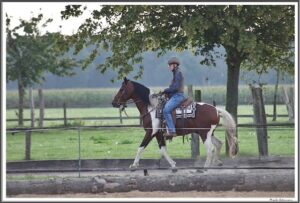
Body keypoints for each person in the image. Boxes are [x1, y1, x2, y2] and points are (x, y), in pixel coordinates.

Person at [161, 57, 186, 138]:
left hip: (178, 96)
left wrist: (165, 90)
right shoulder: (176, 73)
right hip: (175, 96)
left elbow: (175, 88)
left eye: (170, 65)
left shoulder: (178, 73)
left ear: (175, 65)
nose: (169, 67)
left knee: (166, 110)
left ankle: (172, 131)